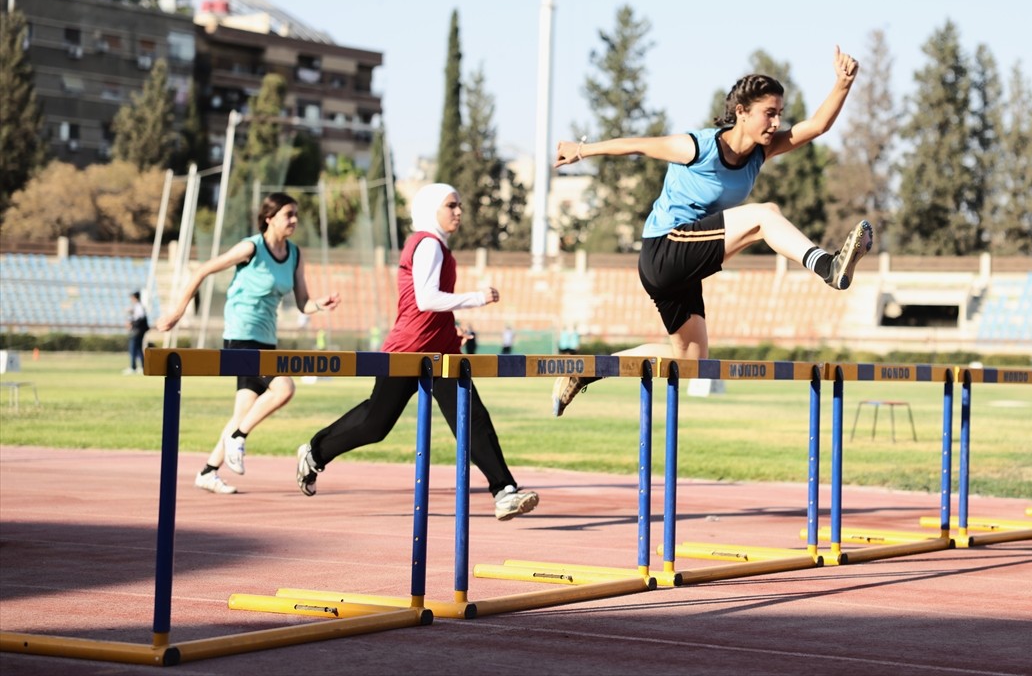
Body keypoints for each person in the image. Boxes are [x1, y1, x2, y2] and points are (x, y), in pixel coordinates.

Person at [550, 46, 872, 416]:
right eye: (768, 114)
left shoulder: (760, 155)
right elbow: (637, 146)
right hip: (665, 247)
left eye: (780, 114)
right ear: (741, 112)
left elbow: (815, 127)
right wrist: (581, 150)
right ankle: (827, 266)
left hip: (682, 267)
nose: (775, 123)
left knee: (692, 363)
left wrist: (843, 84)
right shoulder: (698, 146)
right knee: (764, 216)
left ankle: (586, 369)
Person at [295, 183, 539, 521]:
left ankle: (504, 490)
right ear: (430, 209)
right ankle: (315, 451)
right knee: (374, 425)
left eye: (459, 205)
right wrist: (477, 297)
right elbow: (426, 299)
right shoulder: (428, 243)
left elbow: (428, 306)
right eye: (451, 205)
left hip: (439, 352)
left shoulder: (437, 246)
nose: (458, 212)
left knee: (472, 418)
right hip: (407, 351)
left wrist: (450, 328)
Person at [157, 192, 341, 494]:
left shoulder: (294, 254)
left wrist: (320, 304)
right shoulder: (250, 247)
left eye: (296, 214)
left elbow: (303, 303)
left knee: (244, 409)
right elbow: (203, 270)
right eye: (288, 214)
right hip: (241, 336)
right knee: (284, 388)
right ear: (269, 218)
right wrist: (177, 312)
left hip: (266, 340)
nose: (294, 220)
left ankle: (208, 471)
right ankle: (238, 437)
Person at [125, 291, 149, 374]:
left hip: (138, 330)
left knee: (133, 348)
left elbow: (140, 318)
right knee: (138, 349)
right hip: (139, 330)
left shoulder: (139, 306)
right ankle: (142, 367)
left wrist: (131, 323)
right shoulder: (137, 306)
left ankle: (133, 367)